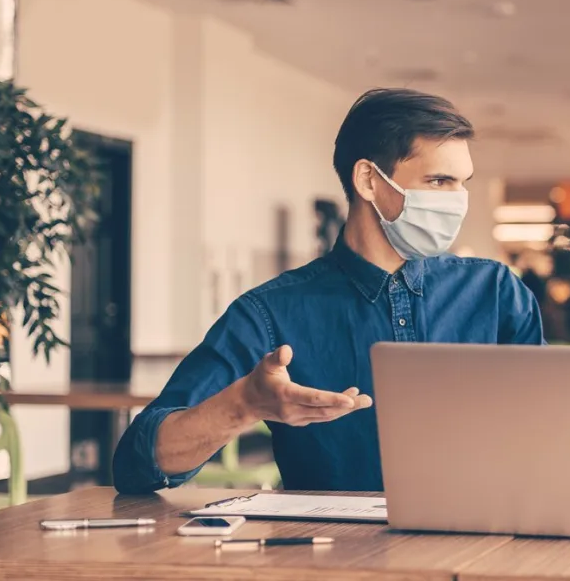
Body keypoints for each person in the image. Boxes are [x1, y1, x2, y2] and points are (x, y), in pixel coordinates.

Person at [113, 88, 544, 493]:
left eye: (463, 182)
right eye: (439, 182)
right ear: (369, 181)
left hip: (478, 552)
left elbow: (548, 428)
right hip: (330, 559)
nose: (458, 200)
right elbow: (137, 465)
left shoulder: (496, 293)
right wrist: (244, 404)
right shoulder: (270, 313)